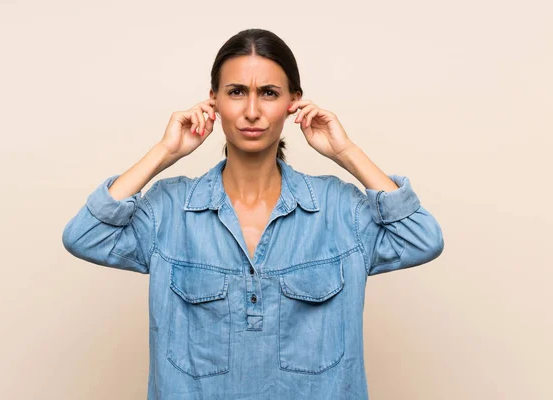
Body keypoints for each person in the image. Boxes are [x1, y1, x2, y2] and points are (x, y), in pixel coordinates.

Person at [62, 28, 444, 400]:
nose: (252, 111)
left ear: (294, 101)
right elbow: (84, 235)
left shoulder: (339, 208)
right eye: (236, 92)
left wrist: (346, 152)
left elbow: (423, 239)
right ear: (213, 100)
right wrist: (165, 152)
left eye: (269, 93)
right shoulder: (169, 209)